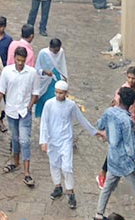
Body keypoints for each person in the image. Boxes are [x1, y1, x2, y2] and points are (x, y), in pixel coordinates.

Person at [95, 88, 135, 220]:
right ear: (131, 104)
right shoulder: (127, 121)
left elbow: (99, 125)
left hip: (113, 159)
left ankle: (99, 214)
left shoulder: (109, 112)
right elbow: (130, 148)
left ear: (119, 98)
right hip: (126, 163)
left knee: (107, 188)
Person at [39, 81, 100, 210]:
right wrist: (43, 141)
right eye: (56, 92)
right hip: (52, 140)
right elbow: (44, 123)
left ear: (66, 93)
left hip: (66, 139)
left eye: (61, 93)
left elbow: (81, 119)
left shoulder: (71, 105)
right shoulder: (49, 104)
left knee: (67, 166)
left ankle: (70, 191)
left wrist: (95, 132)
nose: (58, 95)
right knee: (54, 164)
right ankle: (57, 186)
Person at [0, 46, 37, 186]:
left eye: (22, 61)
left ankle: (27, 172)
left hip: (24, 112)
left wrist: (29, 107)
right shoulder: (7, 71)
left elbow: (35, 93)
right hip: (11, 111)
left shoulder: (32, 73)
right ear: (14, 58)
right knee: (15, 138)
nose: (20, 63)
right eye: (18, 60)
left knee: (24, 140)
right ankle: (16, 161)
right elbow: (1, 90)